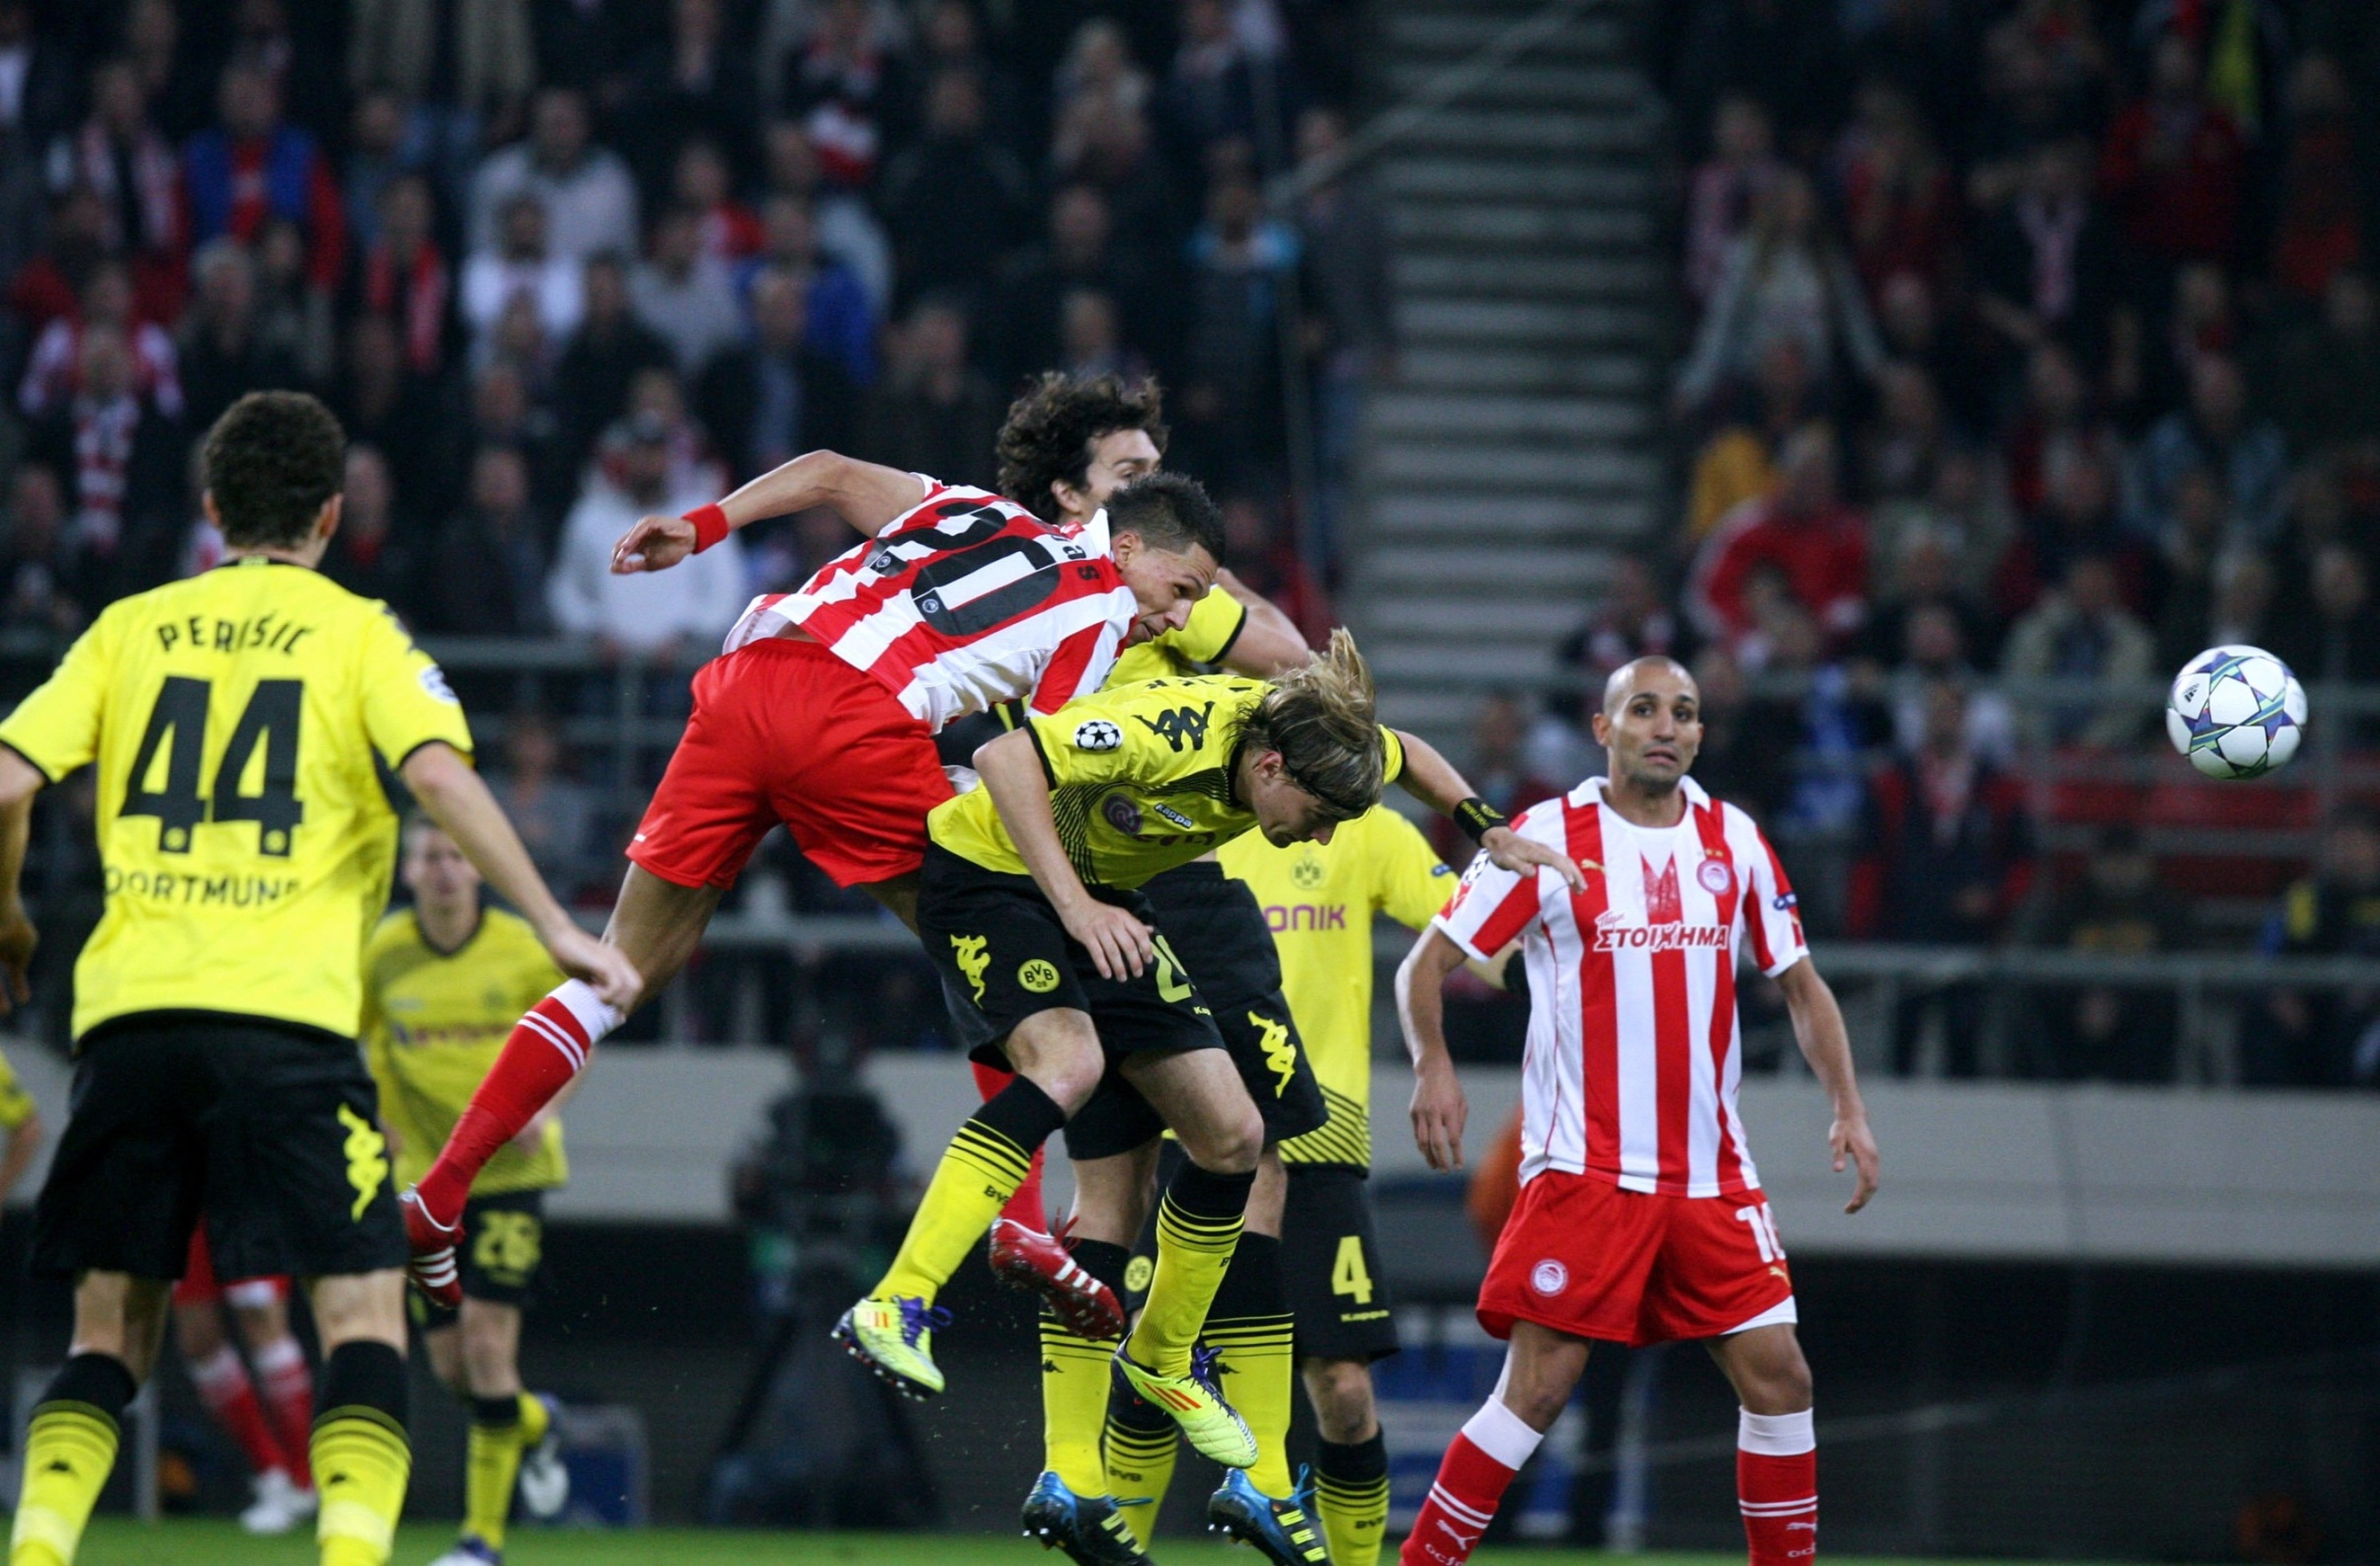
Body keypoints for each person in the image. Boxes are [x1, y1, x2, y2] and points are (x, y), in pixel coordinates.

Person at [0, 391, 636, 1566]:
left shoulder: (129, 626)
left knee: (110, 1331)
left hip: (131, 1016)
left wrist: (6, 920)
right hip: (287, 1021)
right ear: (334, 515)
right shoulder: (360, 635)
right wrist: (550, 919)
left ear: (211, 510)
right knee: (359, 1315)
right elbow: (439, 776)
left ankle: (36, 1549)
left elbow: (6, 779)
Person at [397, 453, 1234, 1305]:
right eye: (1184, 589)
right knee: (995, 923)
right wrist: (1083, 897)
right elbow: (1036, 768)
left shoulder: (977, 508)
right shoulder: (1100, 608)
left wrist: (704, 525)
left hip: (746, 683)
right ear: (1127, 548)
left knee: (621, 972)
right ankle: (1018, 1217)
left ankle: (439, 1195)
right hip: (853, 719)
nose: (1179, 617)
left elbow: (831, 473)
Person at [859, 630, 1582, 1557]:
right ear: (1273, 766)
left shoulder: (1301, 753)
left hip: (1117, 905)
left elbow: (1403, 757)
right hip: (1001, 881)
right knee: (1075, 1083)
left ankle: (1152, 1374)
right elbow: (1001, 753)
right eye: (1318, 813)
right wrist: (1077, 908)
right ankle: (903, 1300)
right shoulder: (1170, 726)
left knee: (1235, 1138)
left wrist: (1487, 824)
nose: (1321, 834)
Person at [1392, 656, 1881, 1566]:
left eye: (1685, 713)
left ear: (1701, 733)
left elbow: (1803, 988)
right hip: (1587, 1172)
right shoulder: (1548, 835)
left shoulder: (1732, 837)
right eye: (1645, 708)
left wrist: (1847, 1107)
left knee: (1781, 1380)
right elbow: (1424, 965)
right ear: (1603, 727)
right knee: (1538, 1391)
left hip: (1710, 1176)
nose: (1668, 726)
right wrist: (1434, 1069)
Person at [1105, 806, 1464, 1566]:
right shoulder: (1186, 811)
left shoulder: (1360, 826)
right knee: (1147, 1365)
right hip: (1189, 1120)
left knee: (1343, 1386)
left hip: (1315, 1134)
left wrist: (1434, 1051)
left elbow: (1474, 927)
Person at [365, 818, 573, 1566]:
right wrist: (375, 1117)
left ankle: (481, 1541)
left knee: (486, 1348)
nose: (447, 870)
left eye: (458, 856)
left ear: (479, 869)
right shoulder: (382, 953)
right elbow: (354, 1041)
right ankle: (535, 1423)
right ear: (409, 871)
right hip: (422, 1185)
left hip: (511, 1178)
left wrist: (545, 1111)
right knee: (455, 1370)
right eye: (431, 857)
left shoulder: (519, 949)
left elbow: (572, 1038)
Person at [169, 1233, 317, 1533]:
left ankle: (304, 1479)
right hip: (185, 1203)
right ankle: (271, 1474)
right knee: (198, 1339)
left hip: (248, 1197)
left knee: (260, 1318)